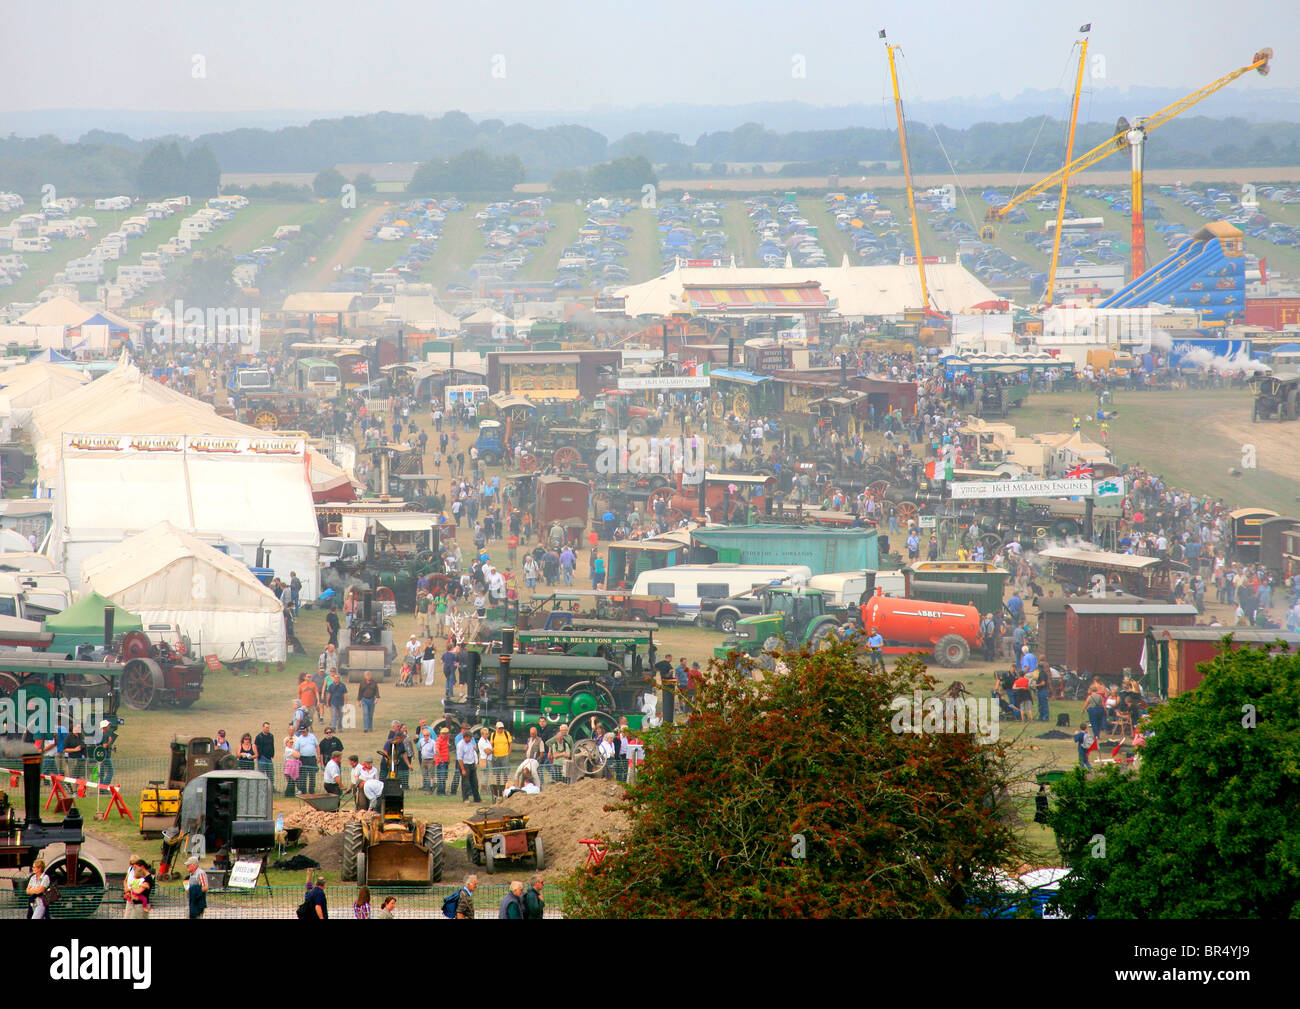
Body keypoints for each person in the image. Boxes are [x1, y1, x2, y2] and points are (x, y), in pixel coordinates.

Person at [457, 725, 481, 803]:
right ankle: (465, 798)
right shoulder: (460, 745)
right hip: (465, 765)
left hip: (471, 764)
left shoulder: (471, 743)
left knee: (475, 782)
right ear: (465, 737)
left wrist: (474, 763)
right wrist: (463, 769)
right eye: (469, 737)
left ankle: (477, 798)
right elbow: (459, 758)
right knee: (465, 783)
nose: (470, 739)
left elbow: (473, 753)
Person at [490, 721, 513, 785]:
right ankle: (498, 786)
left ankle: (505, 786)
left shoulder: (506, 733)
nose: (501, 729)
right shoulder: (493, 734)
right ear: (496, 728)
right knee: (497, 773)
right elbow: (491, 744)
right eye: (499, 728)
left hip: (505, 756)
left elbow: (510, 743)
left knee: (505, 773)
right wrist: (492, 753)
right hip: (496, 756)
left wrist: (509, 753)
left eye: (502, 728)